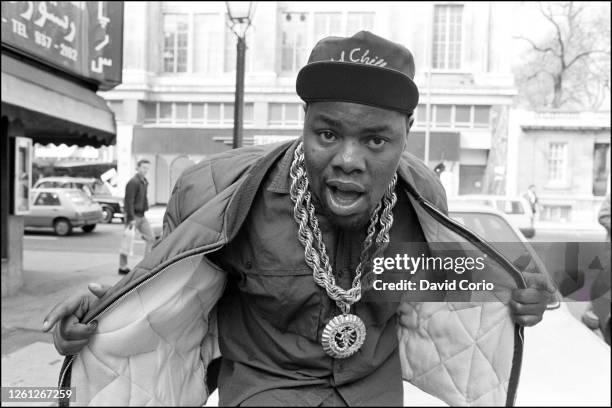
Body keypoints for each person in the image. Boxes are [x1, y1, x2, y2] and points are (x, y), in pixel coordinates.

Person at [42, 32, 555, 406]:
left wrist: (514, 299)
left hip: (373, 393)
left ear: (407, 132)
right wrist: (101, 312)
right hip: (265, 391)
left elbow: (445, 290)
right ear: (304, 123)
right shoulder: (220, 191)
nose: (349, 159)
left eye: (376, 140)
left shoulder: (423, 197)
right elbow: (163, 288)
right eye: (328, 134)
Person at [118, 158, 155, 275]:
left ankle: (145, 265)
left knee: (151, 238)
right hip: (133, 217)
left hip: (142, 216)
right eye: (144, 168)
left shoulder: (144, 181)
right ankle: (122, 267)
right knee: (127, 242)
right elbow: (128, 201)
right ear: (137, 168)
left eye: (147, 168)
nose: (146, 170)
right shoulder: (133, 182)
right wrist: (130, 218)